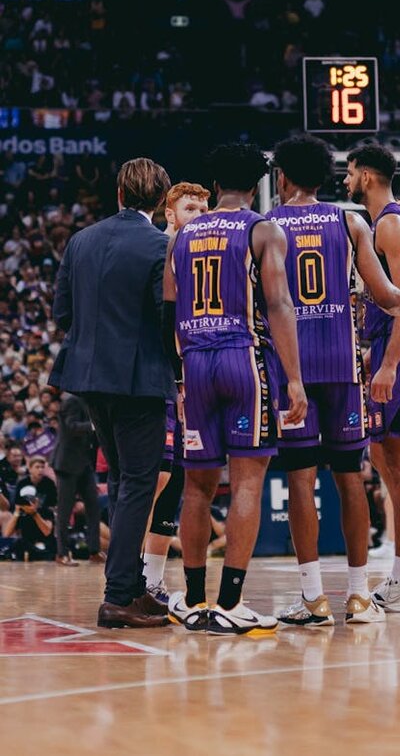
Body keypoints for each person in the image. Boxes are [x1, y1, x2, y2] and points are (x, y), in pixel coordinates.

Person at [163, 142, 307, 635]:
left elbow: (169, 305)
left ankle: (196, 600)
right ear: (258, 183)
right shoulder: (261, 227)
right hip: (242, 357)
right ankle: (230, 602)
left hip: (194, 362)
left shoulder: (181, 235)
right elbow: (280, 303)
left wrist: (179, 375)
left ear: (217, 183)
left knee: (197, 487)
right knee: (247, 480)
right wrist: (293, 378)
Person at [268, 134, 400, 627]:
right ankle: (360, 596)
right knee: (350, 480)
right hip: (344, 370)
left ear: (281, 176)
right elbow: (387, 295)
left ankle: (312, 598)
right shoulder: (351, 222)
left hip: (293, 373)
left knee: (302, 482)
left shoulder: (268, 225)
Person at [49, 157, 173, 629]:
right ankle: (120, 595)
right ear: (162, 201)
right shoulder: (160, 244)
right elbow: (164, 318)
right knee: (140, 482)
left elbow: (63, 312)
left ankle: (132, 586)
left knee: (123, 478)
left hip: (87, 376)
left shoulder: (81, 240)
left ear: (119, 193)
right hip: (138, 379)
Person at [143, 182, 211, 602]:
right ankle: (127, 575)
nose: (198, 217)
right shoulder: (157, 253)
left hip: (190, 379)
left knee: (178, 479)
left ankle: (152, 579)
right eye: (190, 209)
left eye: (204, 209)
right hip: (156, 379)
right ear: (170, 213)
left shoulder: (201, 259)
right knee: (158, 475)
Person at [344, 143, 400, 612]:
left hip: (394, 359)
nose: (344, 182)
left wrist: (388, 364)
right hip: (382, 352)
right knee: (388, 469)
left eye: (348, 173)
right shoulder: (382, 225)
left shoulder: (388, 224)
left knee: (394, 471)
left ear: (365, 175)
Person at [52, 392, 105, 567]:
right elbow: (71, 426)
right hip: (67, 463)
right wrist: (94, 425)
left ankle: (94, 551)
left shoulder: (90, 401)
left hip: (84, 463)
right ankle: (61, 553)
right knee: (65, 510)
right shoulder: (71, 401)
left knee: (93, 506)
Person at [3, 455, 57, 560]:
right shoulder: (22, 483)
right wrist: (18, 512)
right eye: (37, 467)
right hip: (26, 531)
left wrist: (35, 513)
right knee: (18, 544)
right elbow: (7, 534)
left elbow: (47, 531)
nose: (40, 470)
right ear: (30, 469)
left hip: (43, 522)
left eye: (42, 467)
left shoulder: (49, 484)